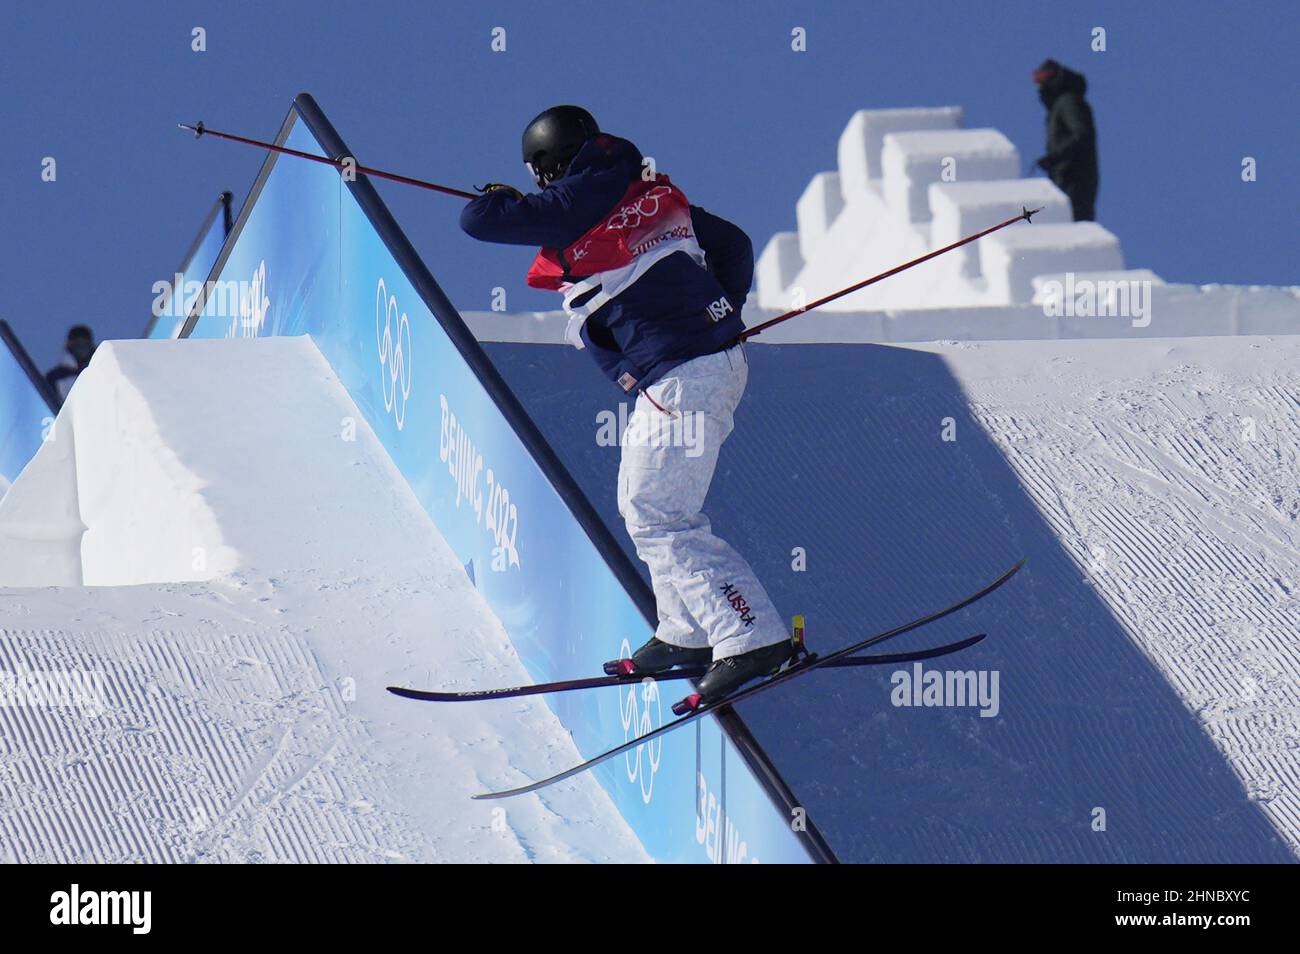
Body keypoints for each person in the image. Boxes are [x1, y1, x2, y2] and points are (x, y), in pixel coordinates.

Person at [459, 105, 793, 706]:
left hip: (683, 374)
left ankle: (752, 634)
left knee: (660, 514)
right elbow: (734, 244)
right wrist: (718, 313)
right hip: (692, 366)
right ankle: (685, 632)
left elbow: (478, 221)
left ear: (548, 166)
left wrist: (498, 197)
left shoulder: (582, 195)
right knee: (644, 505)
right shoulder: (640, 190)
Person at [1032, 59, 1099, 221]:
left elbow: (1082, 134)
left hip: (1074, 178)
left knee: (1073, 221)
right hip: (1067, 177)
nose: (1040, 87)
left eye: (1043, 79)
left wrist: (1055, 155)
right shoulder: (1059, 106)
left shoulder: (1068, 102)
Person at [45, 324, 96, 405]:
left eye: (84, 344)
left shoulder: (100, 372)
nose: (81, 349)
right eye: (77, 344)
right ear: (70, 345)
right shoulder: (54, 377)